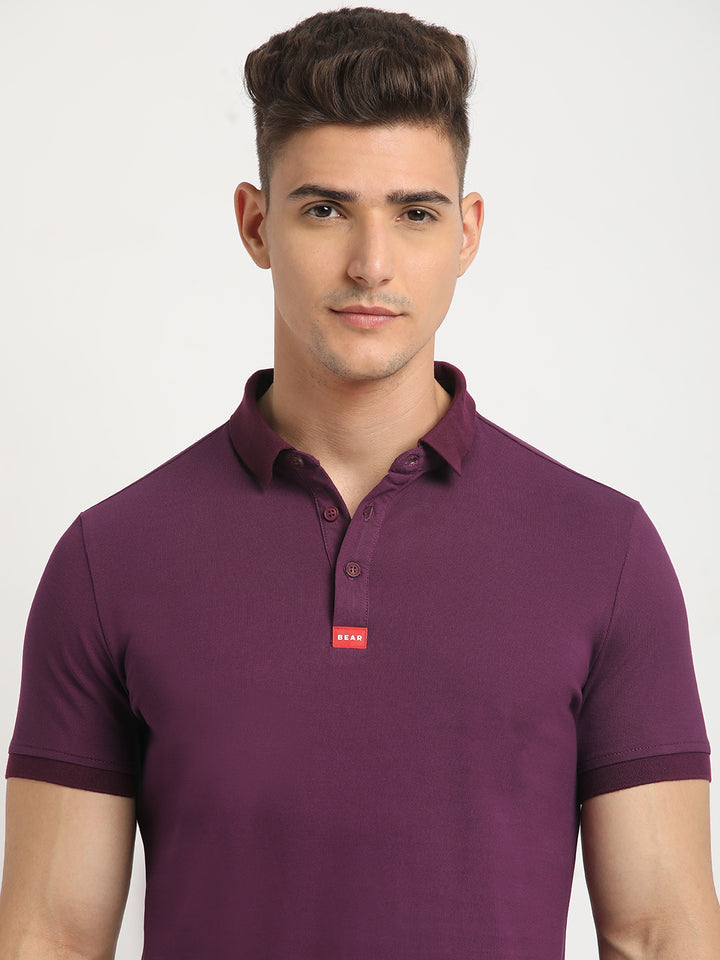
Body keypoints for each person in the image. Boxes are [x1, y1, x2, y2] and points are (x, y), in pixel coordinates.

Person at [1, 6, 718, 957]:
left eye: (414, 213)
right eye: (325, 209)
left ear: (466, 233)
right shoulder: (112, 558)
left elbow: (664, 936)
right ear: (255, 223)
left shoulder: (602, 550)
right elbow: (49, 937)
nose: (371, 265)